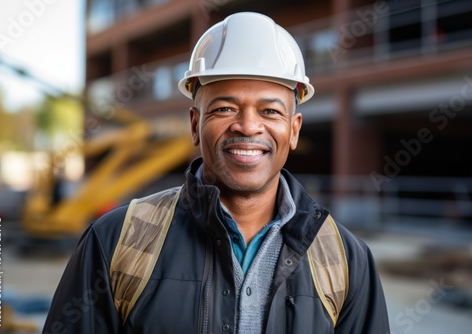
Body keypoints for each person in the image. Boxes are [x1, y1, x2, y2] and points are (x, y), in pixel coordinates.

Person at [42, 12, 390, 334]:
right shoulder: (116, 242)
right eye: (225, 107)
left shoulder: (346, 260)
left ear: (294, 130)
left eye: (270, 111)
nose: (248, 126)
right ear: (195, 124)